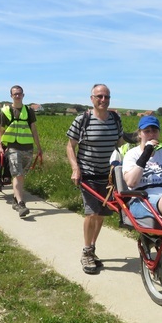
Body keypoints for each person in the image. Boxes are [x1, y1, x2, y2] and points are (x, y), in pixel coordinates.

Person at [66, 83, 127, 274]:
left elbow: (119, 143)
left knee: (101, 215)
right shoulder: (82, 120)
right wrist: (75, 169)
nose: (103, 100)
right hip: (88, 174)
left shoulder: (115, 119)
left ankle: (92, 248)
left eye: (107, 97)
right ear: (91, 98)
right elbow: (70, 146)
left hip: (109, 176)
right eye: (99, 96)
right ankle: (86, 252)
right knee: (91, 213)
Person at [0, 85, 42, 218]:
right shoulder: (5, 111)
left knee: (22, 175)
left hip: (27, 147)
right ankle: (21, 204)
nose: (17, 96)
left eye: (19, 94)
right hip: (13, 147)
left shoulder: (29, 111)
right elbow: (0, 130)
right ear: (11, 96)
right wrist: (0, 146)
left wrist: (39, 148)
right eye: (15, 94)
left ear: (23, 95)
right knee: (18, 174)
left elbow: (34, 130)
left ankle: (16, 200)